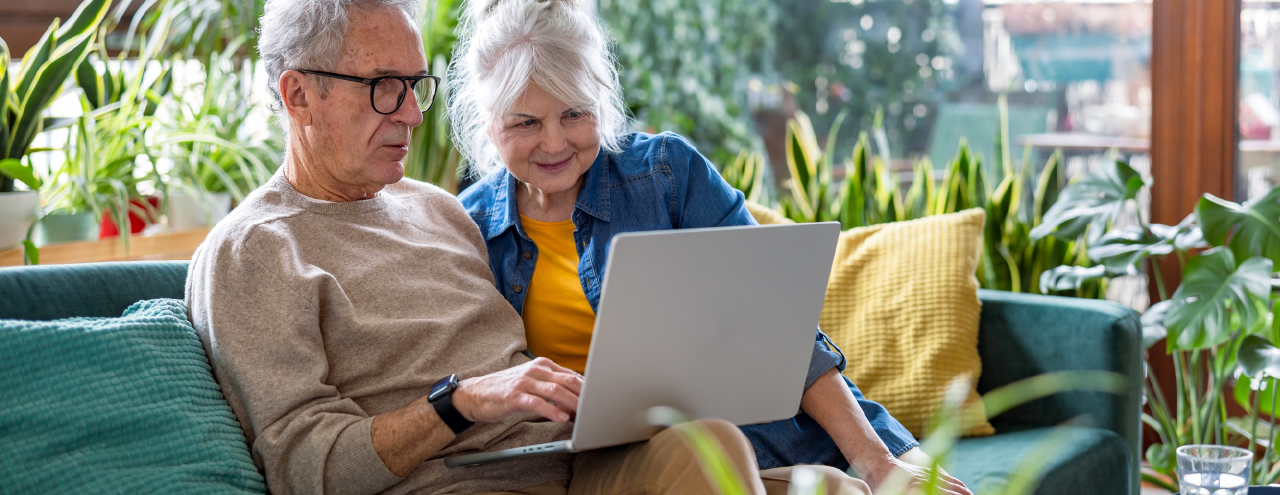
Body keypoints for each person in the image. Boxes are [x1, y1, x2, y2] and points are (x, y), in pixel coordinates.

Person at [186, 0, 821, 493]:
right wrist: (460, 402)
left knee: (798, 470)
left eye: (415, 85)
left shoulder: (436, 209)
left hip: (573, 465)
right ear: (299, 95)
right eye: (383, 86)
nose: (410, 114)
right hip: (460, 486)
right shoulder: (253, 252)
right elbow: (306, 469)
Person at [449, 1, 971, 494]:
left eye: (574, 114)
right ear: (488, 123)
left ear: (601, 103)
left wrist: (876, 459)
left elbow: (782, 327)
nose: (556, 142)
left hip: (770, 431)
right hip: (611, 459)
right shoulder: (465, 226)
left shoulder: (666, 173)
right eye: (526, 122)